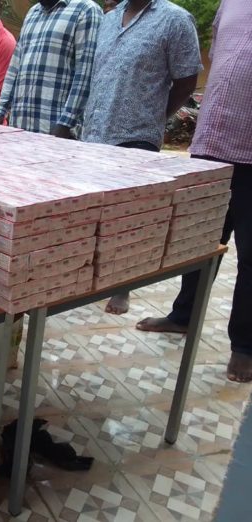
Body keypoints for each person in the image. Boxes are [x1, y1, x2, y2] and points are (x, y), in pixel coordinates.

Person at [137, 0, 252, 383]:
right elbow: (219, 55)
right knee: (200, 241)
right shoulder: (231, 3)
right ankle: (183, 316)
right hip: (212, 143)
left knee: (251, 257)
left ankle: (245, 346)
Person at [82, 0, 201, 315]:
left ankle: (123, 286)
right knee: (95, 211)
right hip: (96, 133)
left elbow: (187, 80)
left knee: (128, 216)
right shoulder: (109, 19)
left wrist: (156, 117)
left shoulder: (175, 20)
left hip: (137, 136)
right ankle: (88, 276)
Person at [0, 0, 102, 138]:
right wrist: (1, 110)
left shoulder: (86, 10)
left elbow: (85, 73)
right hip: (19, 127)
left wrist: (65, 123)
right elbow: (15, 64)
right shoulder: (33, 12)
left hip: (57, 131)